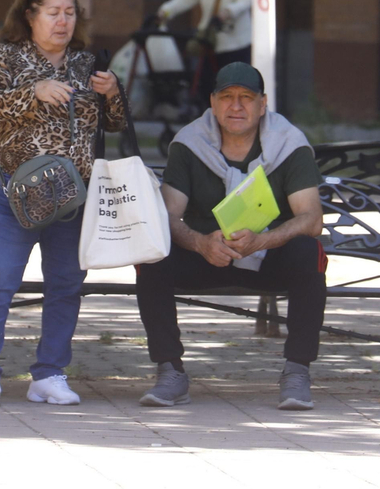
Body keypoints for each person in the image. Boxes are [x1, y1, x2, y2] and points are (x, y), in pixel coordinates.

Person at [0, 0, 126, 407]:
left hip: (73, 197)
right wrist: (32, 92)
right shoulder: (6, 58)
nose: (62, 21)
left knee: (66, 283)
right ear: (31, 15)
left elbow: (114, 124)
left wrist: (113, 94)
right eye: (53, 12)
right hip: (16, 193)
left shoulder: (85, 63)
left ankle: (49, 373)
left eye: (70, 13)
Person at [134, 62, 325, 411]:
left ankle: (297, 371)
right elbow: (166, 215)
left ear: (262, 104)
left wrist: (261, 240)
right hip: (209, 254)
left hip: (268, 252)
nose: (236, 107)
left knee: (308, 252)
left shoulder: (288, 144)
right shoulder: (190, 144)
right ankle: (170, 371)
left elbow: (312, 218)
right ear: (212, 102)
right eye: (227, 97)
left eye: (246, 98)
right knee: (152, 255)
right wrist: (200, 243)